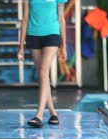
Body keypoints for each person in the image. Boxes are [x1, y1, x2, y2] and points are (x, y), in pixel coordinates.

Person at [18, 0, 67, 128]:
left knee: (43, 71)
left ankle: (39, 115)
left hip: (52, 34)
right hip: (33, 35)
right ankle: (53, 113)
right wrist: (21, 46)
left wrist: (64, 46)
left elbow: (61, 19)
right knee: (43, 74)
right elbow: (25, 18)